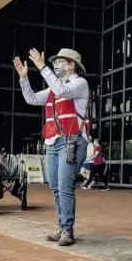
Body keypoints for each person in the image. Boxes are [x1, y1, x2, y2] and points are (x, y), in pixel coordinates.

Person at [14, 48, 89, 246]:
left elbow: (62, 91)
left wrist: (41, 67)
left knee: (65, 186)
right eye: (54, 63)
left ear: (72, 65)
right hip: (54, 142)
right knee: (56, 187)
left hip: (72, 140)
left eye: (61, 62)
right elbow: (31, 99)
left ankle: (67, 230)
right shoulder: (53, 88)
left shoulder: (79, 84)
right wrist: (24, 78)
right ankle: (61, 225)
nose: (56, 66)